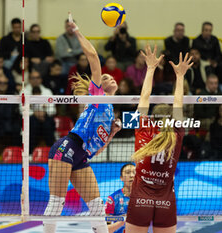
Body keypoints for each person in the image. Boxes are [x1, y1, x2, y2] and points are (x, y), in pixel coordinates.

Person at [42, 13, 121, 233]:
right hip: (68, 147)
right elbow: (94, 57)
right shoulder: (97, 97)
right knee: (57, 202)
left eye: (111, 77)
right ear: (97, 86)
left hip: (82, 156)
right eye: (104, 78)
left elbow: (99, 147)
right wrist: (76, 30)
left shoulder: (109, 110)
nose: (109, 78)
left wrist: (112, 133)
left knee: (97, 207)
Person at [125, 47, 192, 233]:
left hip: (140, 201)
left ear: (153, 118)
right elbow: (179, 103)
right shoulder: (176, 135)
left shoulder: (144, 130)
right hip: (165, 202)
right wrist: (180, 76)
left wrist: (151, 68)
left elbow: (144, 97)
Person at [105, 163, 136, 233]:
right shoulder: (112, 199)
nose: (132, 175)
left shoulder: (145, 197)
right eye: (128, 172)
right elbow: (105, 230)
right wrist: (122, 221)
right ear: (121, 178)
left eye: (134, 172)